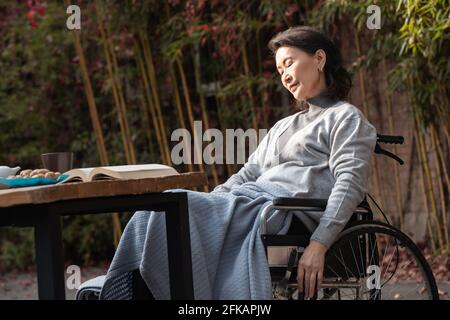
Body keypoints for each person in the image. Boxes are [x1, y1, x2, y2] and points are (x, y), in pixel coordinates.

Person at [99, 26, 377, 300]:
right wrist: (212, 201)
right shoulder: (283, 126)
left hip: (281, 214)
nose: (285, 77)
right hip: (248, 203)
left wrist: (319, 243)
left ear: (319, 59)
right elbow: (249, 173)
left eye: (289, 64)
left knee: (170, 208)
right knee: (165, 208)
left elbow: (349, 183)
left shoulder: (346, 118)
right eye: (280, 71)